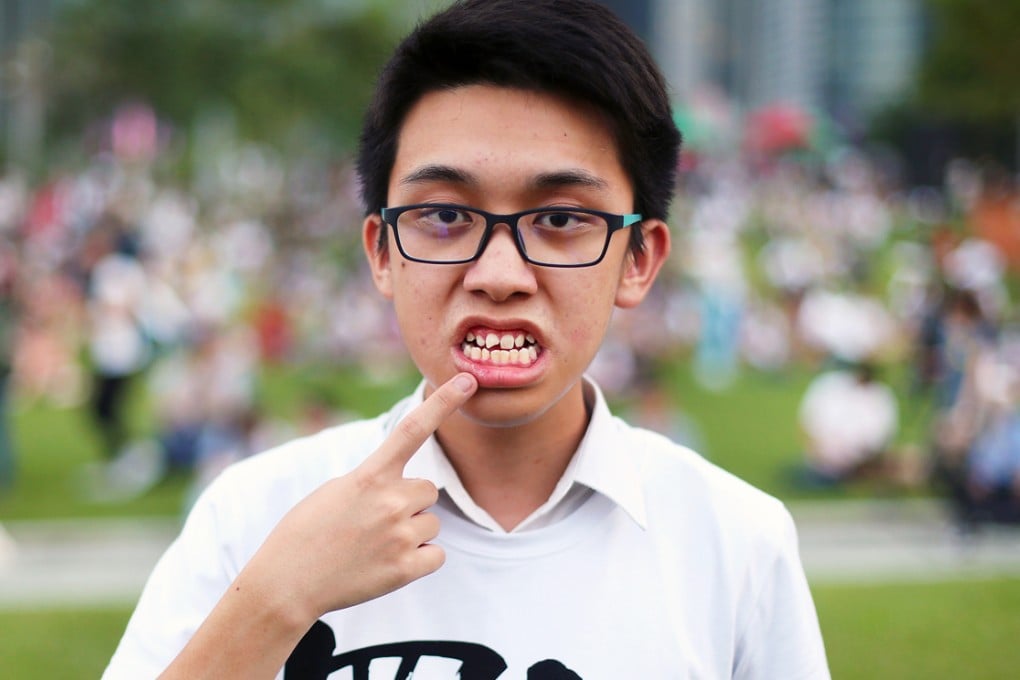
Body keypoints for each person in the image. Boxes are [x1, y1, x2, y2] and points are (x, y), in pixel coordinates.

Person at [104, 1, 829, 677]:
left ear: (638, 261)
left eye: (562, 219)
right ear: (382, 252)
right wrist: (274, 602)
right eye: (445, 217)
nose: (500, 274)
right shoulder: (256, 514)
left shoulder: (736, 541)